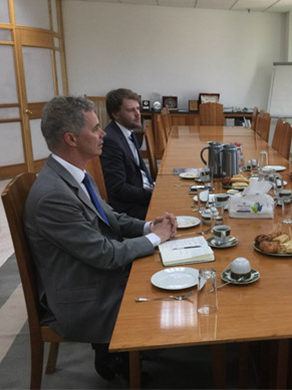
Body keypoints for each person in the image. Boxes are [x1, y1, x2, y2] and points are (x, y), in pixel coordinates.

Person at [23, 95, 177, 381]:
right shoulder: (53, 195)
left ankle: (117, 352)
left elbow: (111, 218)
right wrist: (157, 238)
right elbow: (105, 255)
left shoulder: (74, 171)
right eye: (95, 129)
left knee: (164, 267)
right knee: (168, 290)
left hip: (91, 272)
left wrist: (148, 226)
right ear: (71, 138)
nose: (103, 133)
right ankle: (116, 355)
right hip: (83, 296)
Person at [100, 88, 153, 219]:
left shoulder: (128, 132)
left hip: (141, 194)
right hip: (131, 208)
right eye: (131, 110)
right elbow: (118, 189)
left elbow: (140, 169)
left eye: (138, 109)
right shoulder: (110, 141)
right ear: (115, 114)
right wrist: (152, 194)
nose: (138, 114)